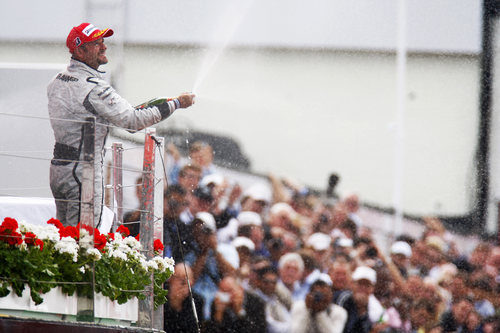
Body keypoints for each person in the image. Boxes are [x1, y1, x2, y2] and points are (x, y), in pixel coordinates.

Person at [48, 22, 195, 227]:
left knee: (64, 238)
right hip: (84, 170)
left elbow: (124, 114)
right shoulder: (93, 87)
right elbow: (132, 121)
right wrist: (177, 104)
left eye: (103, 41)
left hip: (59, 167)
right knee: (84, 239)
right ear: (80, 51)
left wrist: (162, 103)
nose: (104, 46)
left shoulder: (58, 80)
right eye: (97, 43)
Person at [203, 275, 267, 333]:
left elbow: (258, 330)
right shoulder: (217, 303)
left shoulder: (256, 302)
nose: (228, 295)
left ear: (240, 289)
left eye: (230, 291)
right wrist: (218, 315)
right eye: (224, 292)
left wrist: (239, 312)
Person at [164, 263, 204, 333]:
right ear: (171, 279)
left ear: (192, 282)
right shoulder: (161, 294)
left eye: (186, 279)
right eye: (178, 278)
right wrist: (174, 301)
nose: (182, 283)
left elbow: (195, 328)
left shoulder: (197, 301)